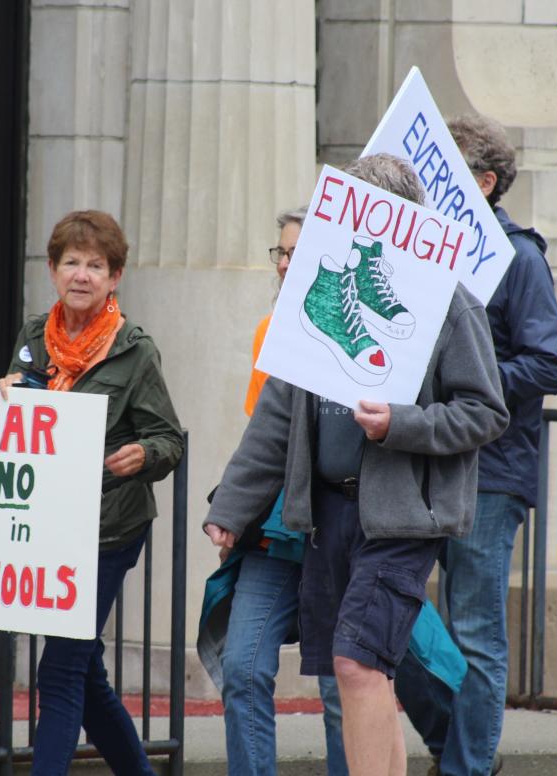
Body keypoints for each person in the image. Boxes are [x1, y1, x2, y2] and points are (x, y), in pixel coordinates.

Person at [204, 153, 510, 776]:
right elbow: (276, 420)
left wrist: (402, 424)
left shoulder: (449, 304)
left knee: (358, 665)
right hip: (326, 515)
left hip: (401, 521)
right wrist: (232, 507)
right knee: (358, 674)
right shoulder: (319, 296)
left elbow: (485, 412)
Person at [395, 114, 557, 776]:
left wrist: (466, 380)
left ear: (486, 182)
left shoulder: (519, 257)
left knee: (474, 631)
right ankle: (459, 750)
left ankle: (465, 765)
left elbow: (549, 364)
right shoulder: (420, 249)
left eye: (446, 166)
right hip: (414, 461)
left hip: (487, 472)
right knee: (384, 613)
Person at [0, 209, 184, 776]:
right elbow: (19, 426)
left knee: (58, 671)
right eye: (72, 262)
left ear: (114, 276)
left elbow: (168, 439)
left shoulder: (134, 349)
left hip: (108, 530)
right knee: (83, 669)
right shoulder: (35, 336)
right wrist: (5, 392)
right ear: (53, 271)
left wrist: (144, 455)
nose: (82, 274)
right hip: (49, 526)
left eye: (95, 265)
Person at [198, 208, 349, 776]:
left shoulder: (353, 325)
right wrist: (233, 511)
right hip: (278, 532)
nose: (285, 264)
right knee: (243, 667)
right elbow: (263, 437)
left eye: (297, 252)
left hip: (341, 531)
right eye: (280, 253)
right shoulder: (272, 331)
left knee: (345, 686)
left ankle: (459, 748)